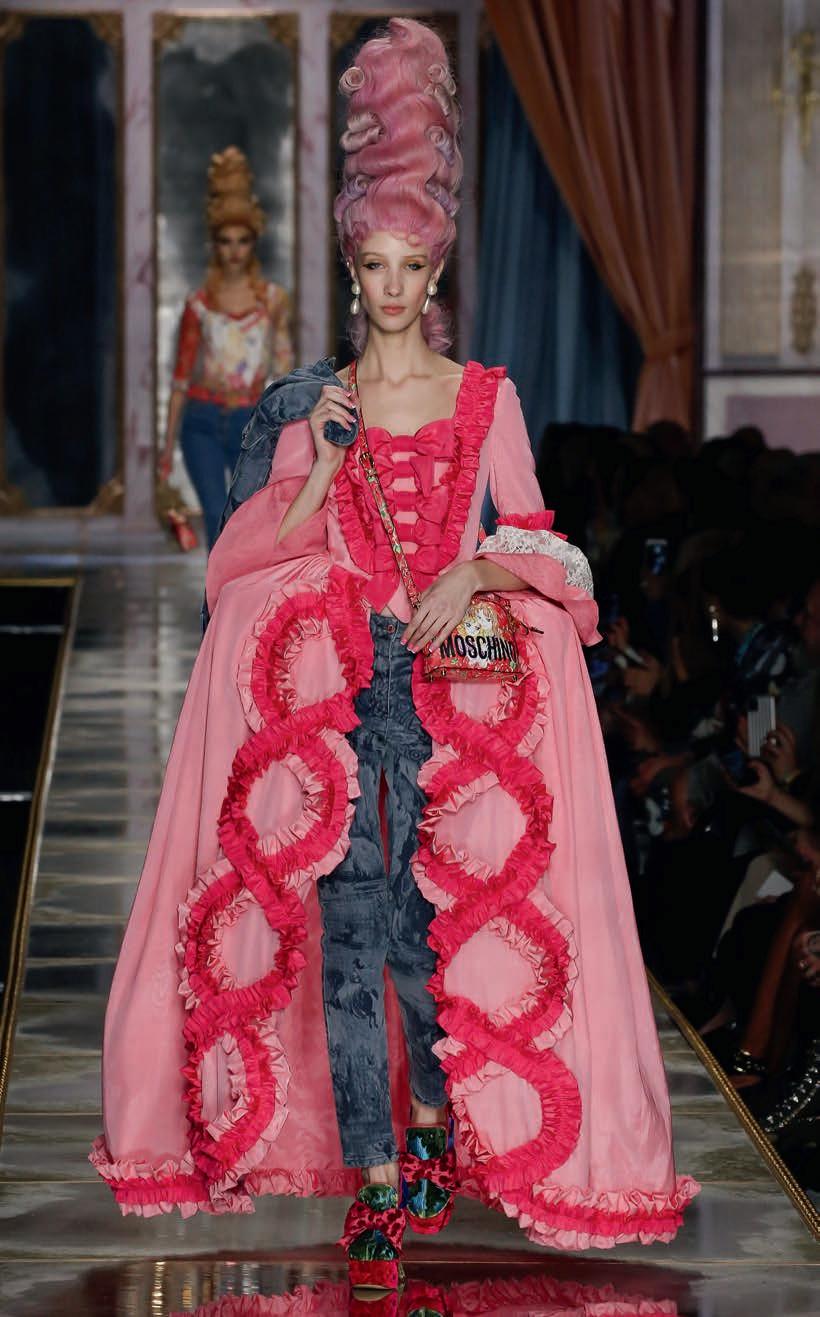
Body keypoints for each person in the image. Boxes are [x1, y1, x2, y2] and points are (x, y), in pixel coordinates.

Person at [91, 18, 697, 1285]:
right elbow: (243, 563)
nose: (393, 287)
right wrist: (321, 465)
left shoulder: (487, 399)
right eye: (373, 265)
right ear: (351, 269)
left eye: (412, 265)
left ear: (437, 272)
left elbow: (547, 547)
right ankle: (374, 1178)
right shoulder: (314, 404)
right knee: (349, 940)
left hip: (458, 703)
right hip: (337, 697)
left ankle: (427, 1126)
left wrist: (476, 568)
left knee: (433, 943)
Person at [158, 147, 294, 548]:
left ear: (254, 242)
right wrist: (166, 451)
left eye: (243, 240)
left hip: (248, 422)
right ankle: (218, 591)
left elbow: (284, 371)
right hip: (200, 419)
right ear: (214, 244)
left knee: (245, 523)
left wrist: (290, 437)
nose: (234, 249)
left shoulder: (273, 301)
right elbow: (180, 379)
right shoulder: (198, 305)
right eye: (225, 240)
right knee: (217, 518)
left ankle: (232, 590)